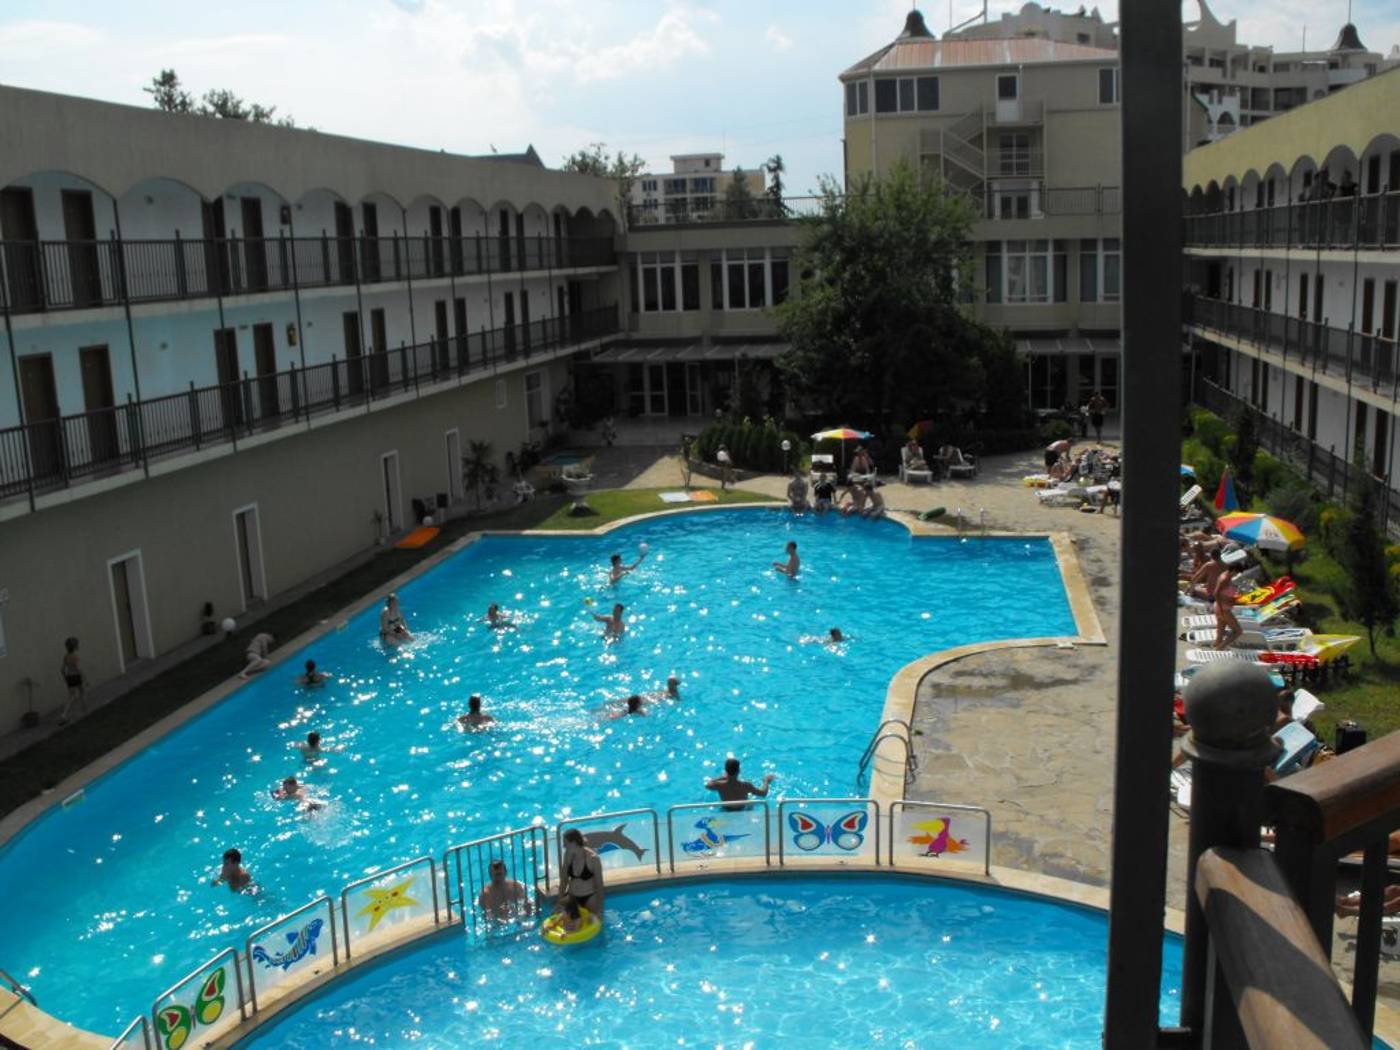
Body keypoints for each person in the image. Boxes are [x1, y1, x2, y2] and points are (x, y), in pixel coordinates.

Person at [559, 828, 605, 917]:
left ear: (574, 843)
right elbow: (564, 880)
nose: (563, 846)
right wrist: (559, 901)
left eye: (565, 843)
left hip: (589, 897)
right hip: (572, 896)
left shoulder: (593, 859)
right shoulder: (567, 855)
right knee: (557, 915)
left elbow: (599, 884)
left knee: (596, 918)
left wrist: (600, 907)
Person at [705, 757, 775, 811]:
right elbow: (763, 793)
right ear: (739, 771)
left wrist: (722, 777)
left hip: (726, 810)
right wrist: (766, 781)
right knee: (751, 804)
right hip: (743, 810)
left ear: (726, 771)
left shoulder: (719, 785)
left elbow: (707, 785)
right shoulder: (746, 785)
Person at [1212, 567, 1243, 649]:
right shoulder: (1225, 578)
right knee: (1238, 631)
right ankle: (1220, 648)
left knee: (1221, 632)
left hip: (1221, 607)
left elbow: (1223, 593)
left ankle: (1216, 646)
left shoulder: (1226, 576)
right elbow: (1216, 593)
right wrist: (1221, 608)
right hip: (1223, 609)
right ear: (1233, 570)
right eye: (1236, 573)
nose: (1236, 575)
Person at [59, 636, 86, 725]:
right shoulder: (75, 657)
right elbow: (78, 668)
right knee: (81, 692)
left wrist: (65, 678)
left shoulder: (66, 656)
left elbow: (62, 669)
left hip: (69, 678)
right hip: (76, 677)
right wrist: (83, 677)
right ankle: (83, 708)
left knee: (72, 696)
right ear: (75, 647)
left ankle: (65, 714)